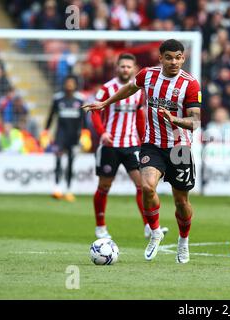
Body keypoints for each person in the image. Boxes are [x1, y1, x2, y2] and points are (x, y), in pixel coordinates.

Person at [82, 39, 201, 264]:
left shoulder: (191, 84)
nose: (174, 62)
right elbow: (129, 88)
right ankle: (155, 232)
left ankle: (183, 242)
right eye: (169, 57)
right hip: (152, 144)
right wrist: (106, 103)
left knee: (181, 203)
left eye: (178, 58)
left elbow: (195, 121)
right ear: (161, 58)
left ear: (183, 58)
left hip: (179, 147)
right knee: (146, 187)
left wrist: (174, 118)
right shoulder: (148, 75)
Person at [90, 53, 169, 239]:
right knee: (104, 185)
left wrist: (144, 140)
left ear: (134, 68)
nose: (125, 69)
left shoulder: (139, 91)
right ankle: (100, 227)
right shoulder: (107, 88)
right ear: (117, 67)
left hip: (132, 144)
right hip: (110, 145)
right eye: (122, 66)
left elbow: (140, 116)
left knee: (143, 185)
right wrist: (102, 133)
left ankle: (148, 227)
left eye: (128, 66)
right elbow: (95, 112)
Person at [43, 75, 86, 202]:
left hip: (74, 136)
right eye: (67, 83)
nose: (69, 85)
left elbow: (83, 119)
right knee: (58, 161)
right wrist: (45, 131)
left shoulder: (80, 99)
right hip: (60, 136)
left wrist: (85, 133)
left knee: (71, 163)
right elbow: (51, 116)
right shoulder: (57, 99)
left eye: (71, 83)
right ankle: (57, 188)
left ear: (75, 85)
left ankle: (69, 190)